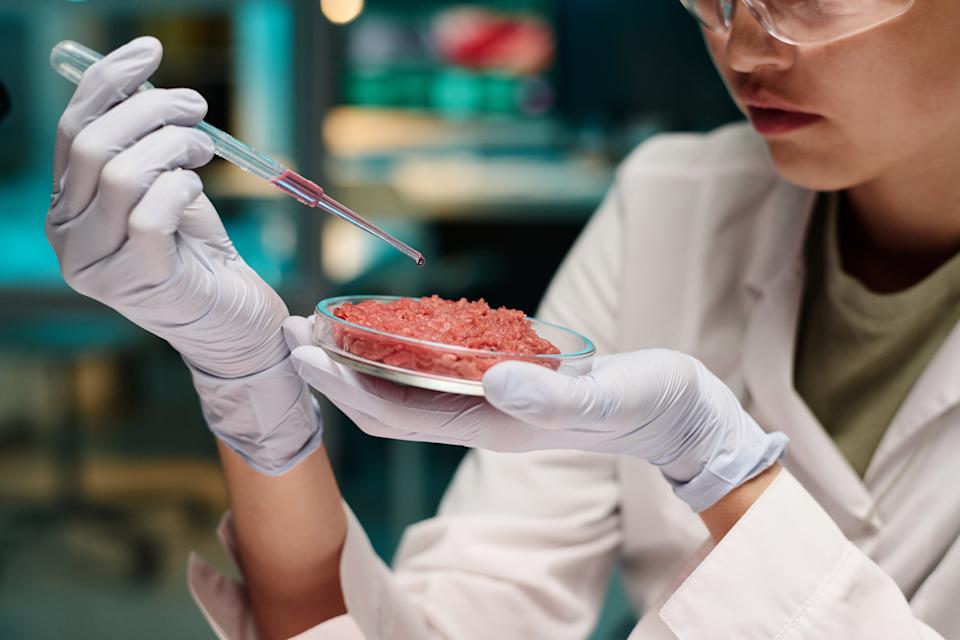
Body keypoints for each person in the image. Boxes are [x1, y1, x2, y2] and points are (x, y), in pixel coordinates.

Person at [45, 0, 960, 636]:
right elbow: (438, 628)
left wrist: (723, 471)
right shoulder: (673, 204)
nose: (745, 49)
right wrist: (247, 381)